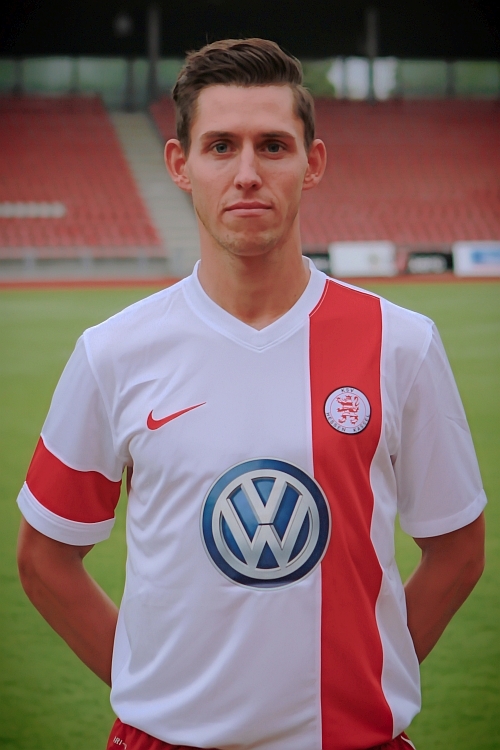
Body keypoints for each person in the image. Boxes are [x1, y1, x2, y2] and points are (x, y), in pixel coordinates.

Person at [17, 38, 485, 750]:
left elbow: (458, 550)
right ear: (180, 164)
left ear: (312, 163)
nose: (246, 174)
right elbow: (44, 558)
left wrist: (368, 675)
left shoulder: (401, 343)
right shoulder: (112, 352)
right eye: (219, 147)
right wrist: (154, 688)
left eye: (272, 146)